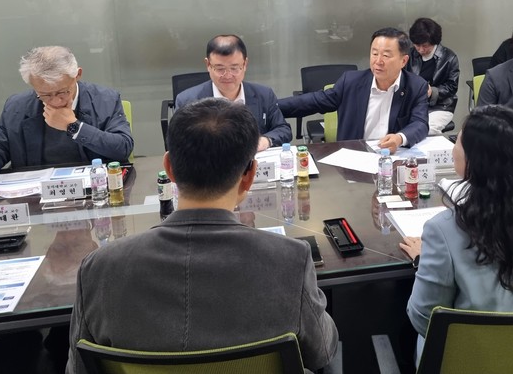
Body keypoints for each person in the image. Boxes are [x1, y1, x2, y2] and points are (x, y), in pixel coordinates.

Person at [65, 98, 338, 373]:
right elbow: (322, 352)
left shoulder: (98, 269)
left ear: (169, 168)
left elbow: (78, 368)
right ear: (250, 175)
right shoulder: (289, 260)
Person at [399, 105, 513, 362]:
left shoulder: (444, 230)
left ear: (474, 161)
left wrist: (422, 259)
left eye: (458, 141)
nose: (453, 148)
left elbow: (423, 318)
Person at [0, 46, 133, 197]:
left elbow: (122, 147)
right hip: (35, 198)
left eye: (62, 92)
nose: (55, 101)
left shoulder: (105, 99)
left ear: (77, 75)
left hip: (95, 195)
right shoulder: (17, 106)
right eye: (45, 94)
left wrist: (74, 127)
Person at [278, 27, 429, 153]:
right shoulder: (351, 82)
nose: (378, 61)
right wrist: (273, 107)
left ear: (403, 61)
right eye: (374, 53)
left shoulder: (416, 87)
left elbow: (420, 123)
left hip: (391, 160)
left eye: (386, 55)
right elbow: (316, 101)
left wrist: (399, 138)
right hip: (354, 158)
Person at [175, 34, 291, 151]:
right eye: (220, 69)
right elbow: (178, 143)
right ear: (208, 65)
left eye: (234, 68)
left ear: (245, 64)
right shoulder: (187, 101)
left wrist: (265, 141)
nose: (228, 75)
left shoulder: (264, 95)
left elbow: (283, 129)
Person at [407, 17, 460, 135]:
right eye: (417, 45)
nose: (421, 49)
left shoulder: (449, 57)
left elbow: (452, 87)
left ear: (435, 42)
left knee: (426, 129)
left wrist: (433, 92)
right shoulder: (409, 55)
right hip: (413, 105)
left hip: (440, 106)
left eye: (425, 46)